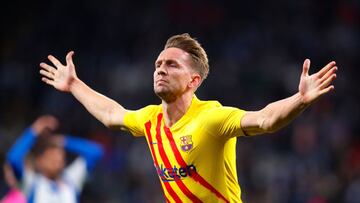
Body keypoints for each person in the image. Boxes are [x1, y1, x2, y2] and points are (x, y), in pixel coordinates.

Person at [39, 33, 337, 203]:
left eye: (171, 65)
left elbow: (264, 120)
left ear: (194, 81)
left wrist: (300, 99)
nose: (160, 69)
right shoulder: (150, 119)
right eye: (158, 64)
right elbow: (111, 114)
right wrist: (74, 85)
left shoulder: (212, 118)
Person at [6, 115, 104, 203]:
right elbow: (13, 159)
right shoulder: (32, 182)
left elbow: (95, 151)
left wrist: (63, 141)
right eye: (51, 157)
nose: (56, 160)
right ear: (40, 161)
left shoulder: (71, 180)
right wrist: (34, 130)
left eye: (59, 156)